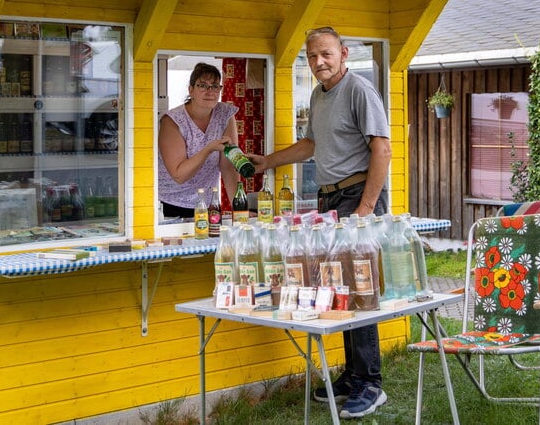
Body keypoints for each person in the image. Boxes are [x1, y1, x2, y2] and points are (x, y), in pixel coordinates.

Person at [247, 26, 392, 419]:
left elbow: (382, 148)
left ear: (344, 53)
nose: (319, 62)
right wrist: (269, 161)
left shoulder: (359, 90)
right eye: (312, 56)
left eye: (326, 54)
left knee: (361, 292)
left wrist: (366, 207)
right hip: (330, 199)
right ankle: (351, 374)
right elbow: (311, 144)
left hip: (356, 197)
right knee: (339, 290)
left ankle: (371, 384)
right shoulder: (317, 95)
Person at [157, 62, 240, 219]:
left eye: (215, 86)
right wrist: (208, 149)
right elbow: (179, 175)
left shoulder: (225, 114)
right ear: (191, 90)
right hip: (172, 202)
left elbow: (228, 166)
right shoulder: (173, 120)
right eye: (203, 85)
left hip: (207, 201)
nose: (210, 91)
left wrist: (239, 209)